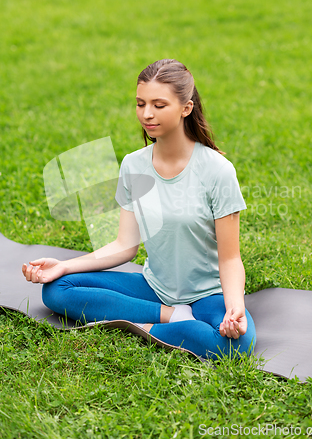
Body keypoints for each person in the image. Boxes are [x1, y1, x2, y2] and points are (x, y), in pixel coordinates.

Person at [22, 59, 256, 361]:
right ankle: (171, 316)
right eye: (140, 103)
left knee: (237, 346)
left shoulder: (217, 171)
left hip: (208, 294)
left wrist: (234, 304)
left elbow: (230, 257)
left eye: (159, 105)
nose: (147, 114)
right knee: (56, 290)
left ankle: (145, 326)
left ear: (186, 108)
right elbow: (125, 246)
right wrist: (65, 265)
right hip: (154, 288)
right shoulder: (134, 164)